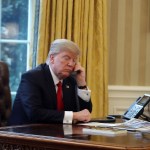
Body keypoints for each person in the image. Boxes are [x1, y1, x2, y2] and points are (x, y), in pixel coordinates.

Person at [8, 39, 92, 125]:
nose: (71, 64)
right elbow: (35, 113)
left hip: (56, 133)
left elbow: (85, 114)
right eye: (67, 58)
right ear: (52, 58)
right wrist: (73, 116)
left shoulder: (70, 80)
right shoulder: (32, 77)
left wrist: (81, 84)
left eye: (74, 60)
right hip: (24, 133)